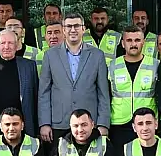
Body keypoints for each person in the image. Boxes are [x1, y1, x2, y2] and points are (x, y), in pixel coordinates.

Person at [38, 13, 111, 142]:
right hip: (59, 123)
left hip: (88, 123)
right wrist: (44, 123)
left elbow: (103, 93)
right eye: (69, 26)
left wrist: (103, 123)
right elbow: (44, 92)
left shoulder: (97, 55)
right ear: (63, 30)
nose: (73, 30)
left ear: (83, 29)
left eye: (76, 26)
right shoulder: (50, 55)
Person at [108, 25, 158, 148]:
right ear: (122, 43)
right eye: (129, 40)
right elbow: (106, 95)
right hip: (119, 123)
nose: (133, 44)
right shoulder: (112, 66)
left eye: (137, 40)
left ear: (143, 42)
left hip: (146, 123)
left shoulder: (155, 65)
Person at [0, 30, 38, 138]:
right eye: (3, 43)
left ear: (17, 46)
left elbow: (36, 97)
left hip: (24, 126)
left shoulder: (29, 66)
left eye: (10, 43)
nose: (6, 46)